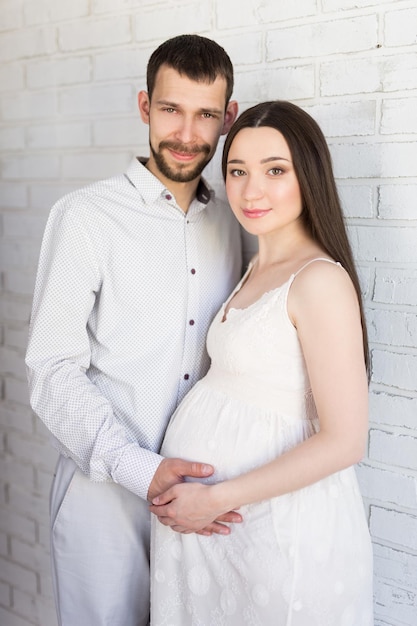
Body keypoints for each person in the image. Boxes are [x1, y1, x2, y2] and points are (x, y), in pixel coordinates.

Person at [25, 34, 245, 626]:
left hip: (200, 500)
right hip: (104, 499)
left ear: (228, 119)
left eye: (205, 115)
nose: (186, 133)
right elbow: (51, 371)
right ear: (146, 106)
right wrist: (137, 467)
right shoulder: (85, 218)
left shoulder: (236, 222)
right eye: (171, 109)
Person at [150, 100, 374, 625]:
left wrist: (216, 498)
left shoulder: (318, 281)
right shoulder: (254, 267)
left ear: (308, 174)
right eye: (237, 171)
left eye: (275, 170)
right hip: (223, 531)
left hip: (275, 528)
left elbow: (346, 440)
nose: (252, 191)